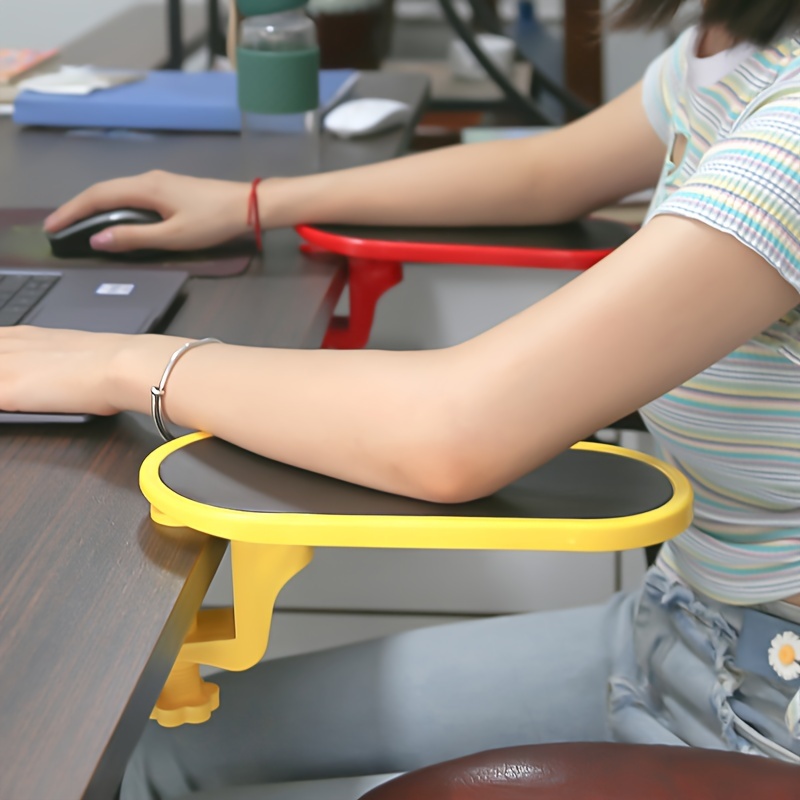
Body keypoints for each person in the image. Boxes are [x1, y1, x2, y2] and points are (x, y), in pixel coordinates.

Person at [5, 0, 800, 796]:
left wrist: (114, 362)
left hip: (768, 711)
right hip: (679, 622)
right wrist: (256, 200)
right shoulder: (735, 51)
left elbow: (451, 432)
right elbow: (550, 171)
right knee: (152, 751)